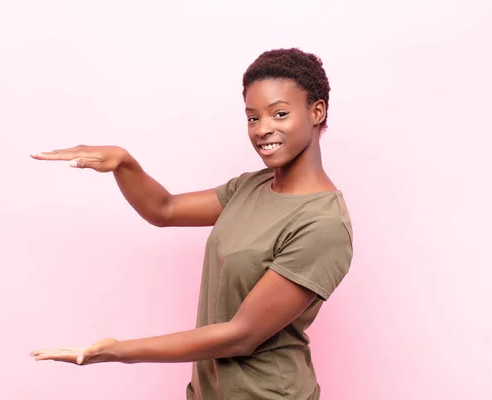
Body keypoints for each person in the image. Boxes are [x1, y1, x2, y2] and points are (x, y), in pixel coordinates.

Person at [29, 48, 353, 400]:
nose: (263, 130)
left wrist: (118, 351)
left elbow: (241, 334)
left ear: (316, 111)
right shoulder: (252, 186)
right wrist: (124, 163)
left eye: (279, 113)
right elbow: (164, 209)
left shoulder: (323, 224)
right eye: (252, 118)